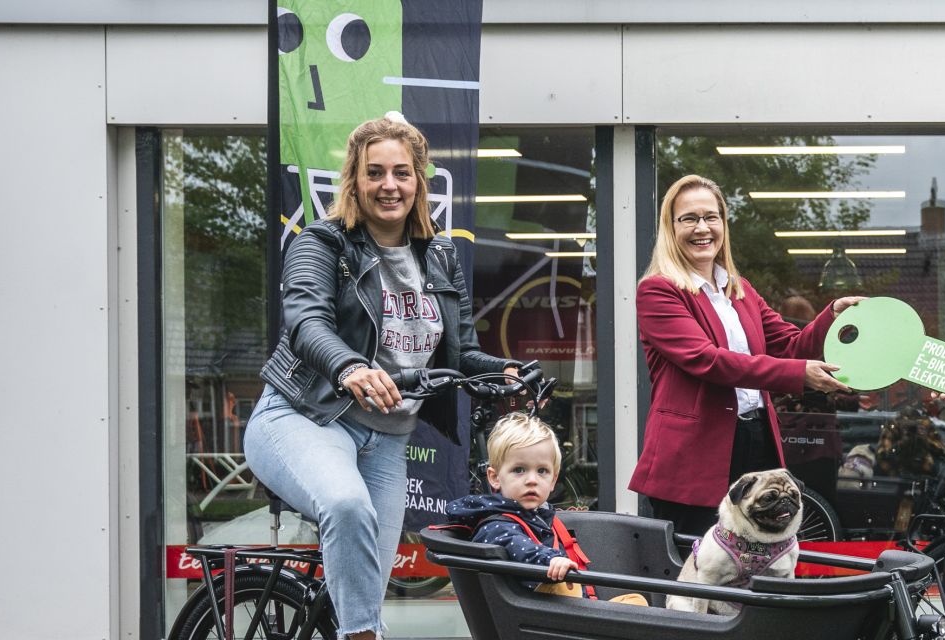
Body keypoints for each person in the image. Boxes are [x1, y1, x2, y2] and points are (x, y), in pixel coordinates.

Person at [245, 115, 521, 640]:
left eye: (401, 173)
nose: (388, 185)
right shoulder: (322, 244)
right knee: (347, 508)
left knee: (364, 589)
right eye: (374, 173)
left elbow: (460, 354)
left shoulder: (440, 255)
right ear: (355, 180)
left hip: (388, 442)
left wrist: (506, 371)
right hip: (303, 417)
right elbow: (306, 322)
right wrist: (349, 366)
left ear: (419, 181)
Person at [630, 174, 864, 538]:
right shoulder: (658, 291)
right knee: (696, 575)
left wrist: (830, 315)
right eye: (689, 218)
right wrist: (799, 374)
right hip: (694, 456)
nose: (702, 228)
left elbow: (790, 346)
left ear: (723, 224)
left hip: (756, 440)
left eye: (712, 217)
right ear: (670, 228)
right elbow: (708, 360)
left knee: (759, 564)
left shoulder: (740, 291)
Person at [446, 413, 648, 604]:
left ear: (553, 480)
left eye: (542, 471)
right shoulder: (497, 525)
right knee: (561, 585)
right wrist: (551, 560)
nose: (532, 480)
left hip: (571, 610)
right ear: (495, 478)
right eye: (519, 470)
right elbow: (520, 548)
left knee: (636, 601)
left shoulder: (541, 518)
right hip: (536, 616)